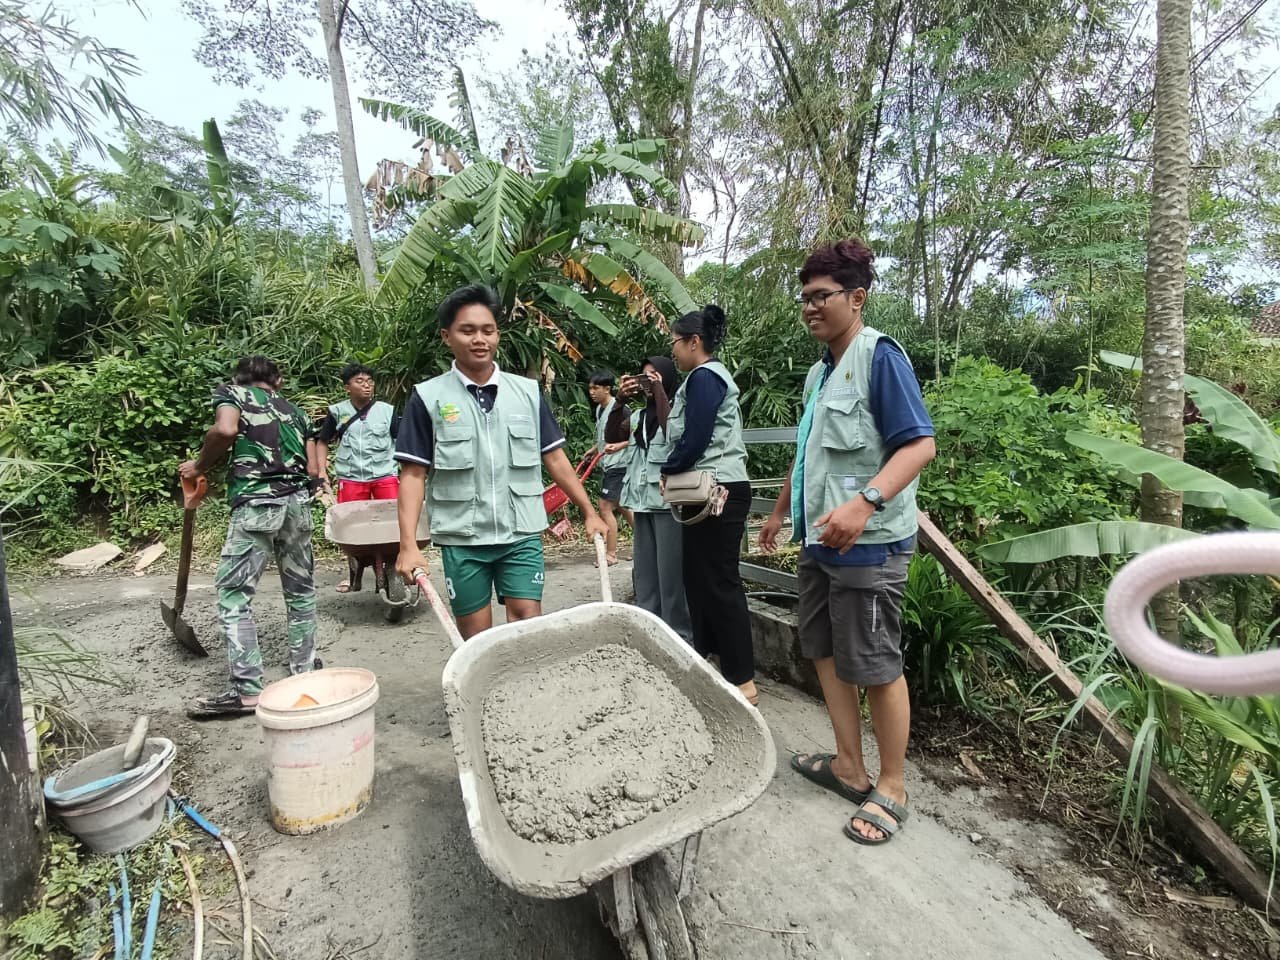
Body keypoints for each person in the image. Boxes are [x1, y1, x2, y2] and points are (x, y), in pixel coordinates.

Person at [757, 238, 936, 846]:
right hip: (819, 542)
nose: (809, 307)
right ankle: (847, 765)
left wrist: (867, 503)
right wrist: (781, 514)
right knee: (825, 652)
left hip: (871, 543)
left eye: (821, 296)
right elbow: (809, 453)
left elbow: (919, 446)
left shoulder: (879, 358)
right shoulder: (819, 371)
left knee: (877, 664)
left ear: (857, 298)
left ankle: (891, 785)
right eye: (803, 298)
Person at [394, 284, 609, 639]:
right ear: (447, 336)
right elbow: (413, 474)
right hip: (464, 539)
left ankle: (523, 695)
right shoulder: (428, 397)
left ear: (498, 334)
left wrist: (589, 511)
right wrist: (408, 545)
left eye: (488, 330)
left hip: (520, 532)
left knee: (528, 627)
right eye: (467, 330)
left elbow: (554, 457)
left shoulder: (526, 393)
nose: (479, 339)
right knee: (477, 640)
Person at [180, 356, 320, 719]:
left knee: (233, 597)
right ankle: (303, 671)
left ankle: (248, 692)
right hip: (297, 506)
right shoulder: (295, 411)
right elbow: (312, 465)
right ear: (279, 380)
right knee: (301, 591)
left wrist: (199, 466)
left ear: (239, 378)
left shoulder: (233, 394)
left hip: (257, 505)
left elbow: (225, 431)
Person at [661, 306, 757, 706]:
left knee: (718, 580)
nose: (674, 351)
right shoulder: (704, 379)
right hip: (711, 491)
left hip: (719, 491)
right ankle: (711, 660)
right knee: (699, 579)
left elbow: (696, 436)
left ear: (693, 342)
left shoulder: (704, 378)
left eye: (675, 343)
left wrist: (671, 466)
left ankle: (743, 680)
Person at [607, 357, 692, 643]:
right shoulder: (639, 418)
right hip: (642, 502)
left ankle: (679, 637)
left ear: (667, 378)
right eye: (644, 377)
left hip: (668, 504)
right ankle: (648, 633)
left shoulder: (678, 409)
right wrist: (619, 400)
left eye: (655, 376)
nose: (647, 381)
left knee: (671, 576)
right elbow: (611, 435)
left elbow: (674, 436)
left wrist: (659, 393)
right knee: (645, 573)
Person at [313, 363, 400, 592]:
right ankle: (354, 571)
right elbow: (322, 442)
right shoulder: (337, 412)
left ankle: (400, 565)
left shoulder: (387, 411)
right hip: (351, 477)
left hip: (385, 475)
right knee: (351, 527)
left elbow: (401, 441)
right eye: (360, 381)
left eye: (370, 381)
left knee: (395, 522)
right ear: (347, 387)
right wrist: (322, 472)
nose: (367, 385)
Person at [586, 370, 633, 566]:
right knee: (623, 507)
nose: (592, 392)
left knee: (605, 507)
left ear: (608, 389)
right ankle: (646, 546)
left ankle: (611, 554)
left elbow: (636, 438)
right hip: (608, 463)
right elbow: (607, 435)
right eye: (590, 388)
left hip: (620, 464)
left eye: (596, 388)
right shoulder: (600, 410)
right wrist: (594, 449)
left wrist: (618, 446)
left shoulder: (621, 409)